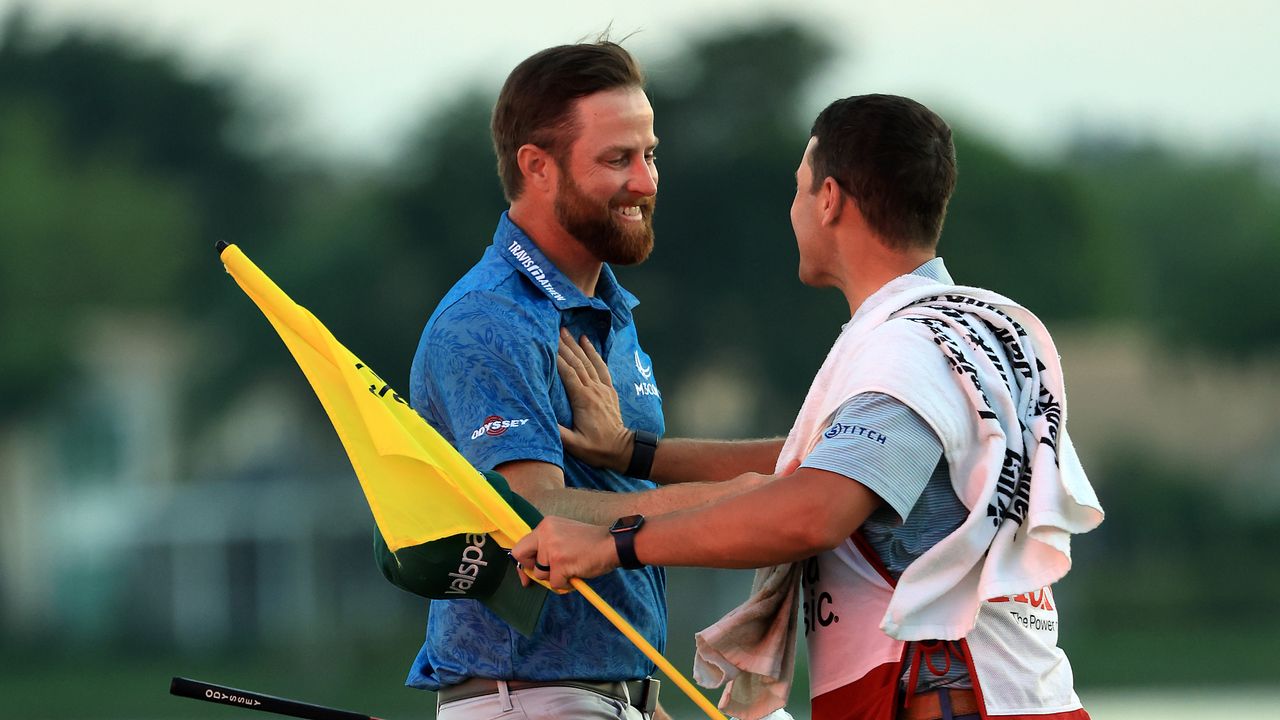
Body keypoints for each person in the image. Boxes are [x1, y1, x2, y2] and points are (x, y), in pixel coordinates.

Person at [514, 94, 1104, 720]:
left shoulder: (906, 349)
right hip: (1014, 693)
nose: (792, 211)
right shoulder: (967, 328)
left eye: (799, 190)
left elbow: (814, 510)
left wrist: (614, 543)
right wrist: (638, 453)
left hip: (953, 695)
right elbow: (819, 461)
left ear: (829, 200)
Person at [405, 39, 772, 720]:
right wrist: (731, 504)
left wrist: (644, 704)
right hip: (532, 698)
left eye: (650, 154)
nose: (646, 181)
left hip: (601, 695)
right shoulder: (490, 320)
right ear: (538, 168)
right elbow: (533, 514)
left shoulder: (606, 307)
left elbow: (608, 507)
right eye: (617, 160)